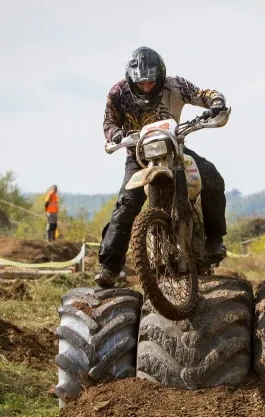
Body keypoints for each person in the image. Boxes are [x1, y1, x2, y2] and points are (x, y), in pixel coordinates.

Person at [95, 46, 228, 288]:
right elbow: (109, 122)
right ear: (131, 80)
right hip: (139, 155)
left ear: (160, 76)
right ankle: (109, 267)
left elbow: (202, 94)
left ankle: (214, 240)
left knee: (212, 178)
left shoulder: (175, 85)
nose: (147, 87)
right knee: (126, 204)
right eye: (141, 83)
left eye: (151, 82)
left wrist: (216, 101)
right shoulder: (118, 93)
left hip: (175, 149)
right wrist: (115, 134)